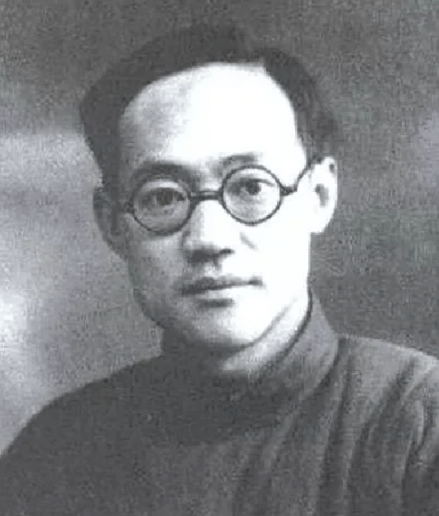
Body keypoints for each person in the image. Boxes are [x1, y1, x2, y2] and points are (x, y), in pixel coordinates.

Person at [0, 22, 438, 516]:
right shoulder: (54, 455)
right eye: (162, 197)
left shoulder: (419, 425)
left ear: (319, 196)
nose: (210, 239)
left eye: (250, 187)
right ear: (113, 225)